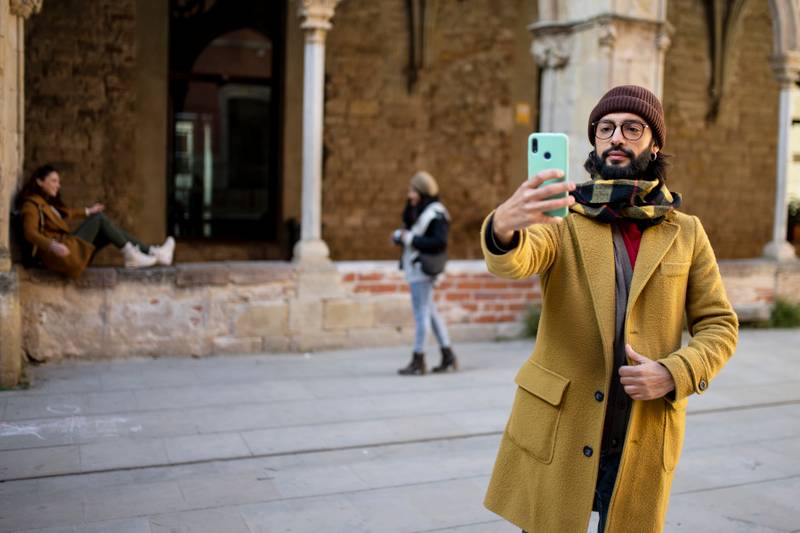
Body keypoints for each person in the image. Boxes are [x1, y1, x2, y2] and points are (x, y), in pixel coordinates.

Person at [480, 86, 739, 533]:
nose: (616, 137)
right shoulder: (564, 218)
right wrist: (504, 226)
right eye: (606, 128)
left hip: (641, 430)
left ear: (654, 143)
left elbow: (720, 324)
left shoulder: (687, 232)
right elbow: (521, 258)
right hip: (563, 428)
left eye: (631, 128)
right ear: (595, 141)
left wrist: (675, 372)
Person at [17, 164, 175, 279]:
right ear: (39, 181)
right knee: (99, 220)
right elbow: (29, 233)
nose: (58, 185)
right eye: (53, 181)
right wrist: (52, 246)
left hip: (67, 253)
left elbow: (67, 214)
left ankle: (154, 253)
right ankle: (134, 255)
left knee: (108, 232)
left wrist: (88, 211)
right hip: (60, 256)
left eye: (58, 181)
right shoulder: (31, 205)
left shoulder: (46, 204)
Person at [392, 171, 458, 375]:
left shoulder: (436, 213)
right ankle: (448, 356)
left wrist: (409, 238)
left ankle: (418, 360)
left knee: (421, 314)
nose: (409, 195)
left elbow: (439, 242)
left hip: (423, 269)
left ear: (421, 191)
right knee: (430, 312)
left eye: (412, 190)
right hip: (416, 268)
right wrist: (401, 236)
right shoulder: (420, 210)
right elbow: (410, 230)